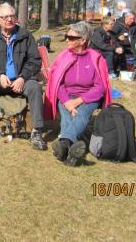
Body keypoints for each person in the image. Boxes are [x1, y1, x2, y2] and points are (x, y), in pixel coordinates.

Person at [0, 3, 46, 149]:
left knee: (35, 87)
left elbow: (35, 61)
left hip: (21, 81)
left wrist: (22, 77)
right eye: (5, 17)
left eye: (12, 16)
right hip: (0, 81)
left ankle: (37, 131)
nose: (9, 19)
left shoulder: (26, 36)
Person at [45, 21, 112, 166]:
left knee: (81, 115)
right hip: (65, 96)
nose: (67, 39)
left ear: (83, 40)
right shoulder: (63, 56)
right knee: (66, 117)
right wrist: (67, 101)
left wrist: (78, 101)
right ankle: (71, 152)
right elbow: (58, 82)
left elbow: (100, 87)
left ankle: (63, 143)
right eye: (66, 36)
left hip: (88, 98)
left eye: (71, 37)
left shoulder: (95, 58)